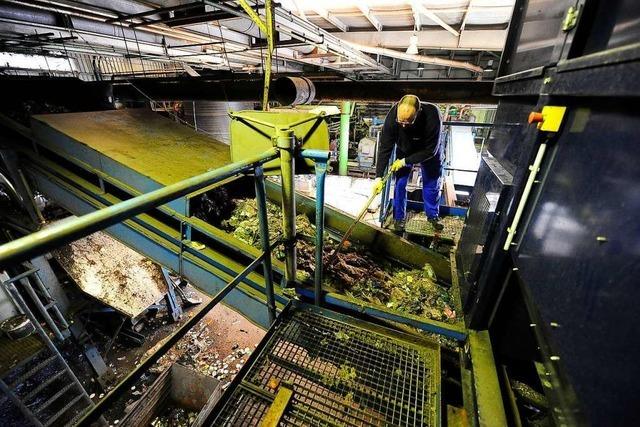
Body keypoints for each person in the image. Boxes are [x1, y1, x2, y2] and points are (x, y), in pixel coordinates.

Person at [373, 95, 444, 232]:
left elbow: (431, 150)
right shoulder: (392, 117)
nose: (404, 125)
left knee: (431, 184)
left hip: (428, 150)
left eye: (408, 123)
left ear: (418, 113)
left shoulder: (432, 115)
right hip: (405, 149)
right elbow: (385, 148)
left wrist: (405, 161)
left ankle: (432, 215)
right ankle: (399, 217)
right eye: (401, 123)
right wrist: (378, 176)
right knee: (399, 184)